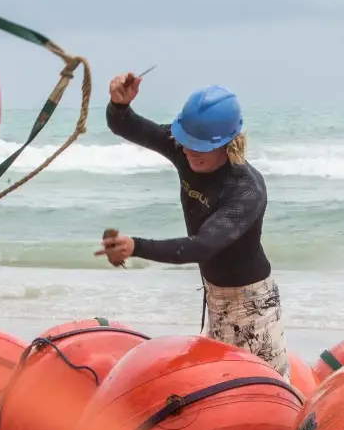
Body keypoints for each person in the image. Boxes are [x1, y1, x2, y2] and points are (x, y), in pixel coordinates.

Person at [98, 73, 291, 378]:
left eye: (198, 147)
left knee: (266, 388)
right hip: (214, 294)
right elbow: (128, 126)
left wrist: (137, 246)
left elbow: (203, 246)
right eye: (185, 143)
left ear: (227, 143)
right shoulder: (185, 148)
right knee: (216, 385)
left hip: (251, 304)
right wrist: (120, 106)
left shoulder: (245, 190)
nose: (187, 152)